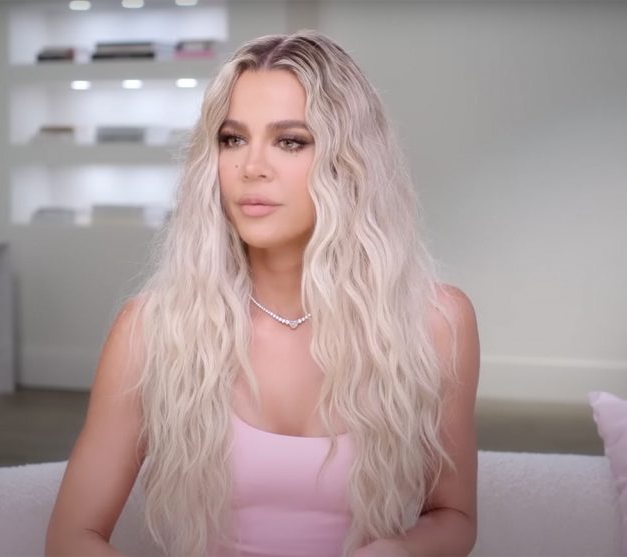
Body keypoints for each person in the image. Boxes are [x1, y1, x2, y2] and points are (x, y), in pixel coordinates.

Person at [44, 29, 480, 557]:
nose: (251, 167)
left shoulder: (437, 323)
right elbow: (71, 538)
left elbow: (453, 517)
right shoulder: (152, 330)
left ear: (350, 161)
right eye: (232, 139)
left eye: (290, 141)